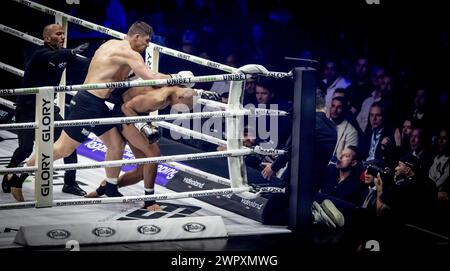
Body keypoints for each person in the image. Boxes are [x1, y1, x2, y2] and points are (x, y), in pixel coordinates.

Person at [7, 21, 198, 202]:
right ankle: (18, 175)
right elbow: (151, 78)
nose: (148, 45)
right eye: (147, 40)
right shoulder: (131, 54)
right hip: (88, 103)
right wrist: (176, 77)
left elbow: (116, 75)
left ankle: (111, 187)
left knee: (116, 143)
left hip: (97, 103)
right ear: (137, 36)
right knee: (63, 148)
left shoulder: (109, 44)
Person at [2, 24, 89, 201]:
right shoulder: (39, 54)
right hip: (27, 108)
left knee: (68, 141)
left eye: (63, 34)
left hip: (48, 107)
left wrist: (105, 59)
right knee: (25, 148)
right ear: (47, 38)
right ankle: (9, 173)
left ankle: (70, 182)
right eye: (58, 34)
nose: (62, 36)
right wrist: (71, 52)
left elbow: (85, 64)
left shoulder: (64, 54)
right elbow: (54, 55)